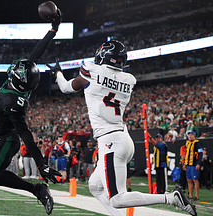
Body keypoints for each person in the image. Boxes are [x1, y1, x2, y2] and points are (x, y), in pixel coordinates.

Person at [47, 40, 196, 215]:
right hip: (122, 139)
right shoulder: (128, 80)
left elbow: (65, 88)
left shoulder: (92, 71)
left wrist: (57, 72)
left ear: (103, 56)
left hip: (111, 142)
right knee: (95, 185)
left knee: (117, 198)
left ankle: (171, 198)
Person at [0, 10, 62, 215]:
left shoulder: (12, 101)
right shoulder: (20, 83)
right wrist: (53, 30)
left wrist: (41, 165)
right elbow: (35, 55)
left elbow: (26, 135)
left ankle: (37, 189)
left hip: (7, 139)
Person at [183, 131, 203, 200]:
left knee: (195, 179)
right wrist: (185, 164)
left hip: (194, 164)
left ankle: (197, 195)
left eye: (191, 135)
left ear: (194, 136)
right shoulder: (188, 144)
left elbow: (200, 154)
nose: (190, 136)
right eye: (189, 135)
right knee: (189, 180)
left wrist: (198, 163)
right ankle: (190, 195)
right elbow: (187, 155)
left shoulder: (197, 144)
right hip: (188, 164)